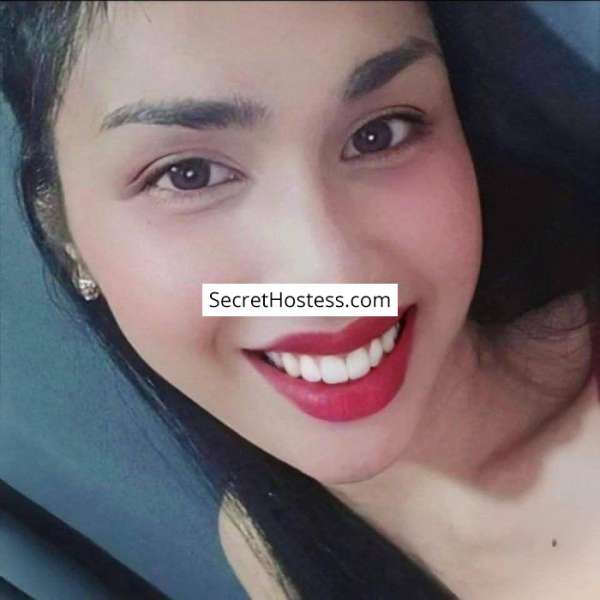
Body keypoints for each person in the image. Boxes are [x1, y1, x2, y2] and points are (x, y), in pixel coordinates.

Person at [1, 1, 599, 598]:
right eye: (189, 174)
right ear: (63, 231)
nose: (330, 279)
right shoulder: (261, 538)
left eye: (380, 133)